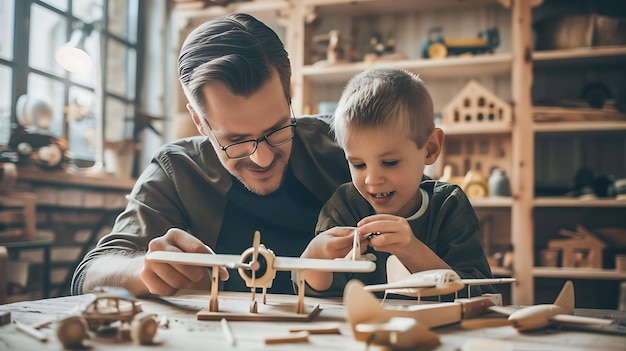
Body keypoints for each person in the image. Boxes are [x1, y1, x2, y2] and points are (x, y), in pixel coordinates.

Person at [71, 13, 351, 297]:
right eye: (236, 140)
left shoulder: (347, 143)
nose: (262, 158)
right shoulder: (177, 170)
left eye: (276, 130)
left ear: (289, 94)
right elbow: (90, 273)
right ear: (198, 120)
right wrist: (142, 269)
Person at [300, 67, 494, 298]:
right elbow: (313, 294)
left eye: (390, 162)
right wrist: (316, 257)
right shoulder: (344, 207)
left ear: (430, 149)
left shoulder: (448, 206)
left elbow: (478, 293)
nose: (372, 179)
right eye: (359, 165)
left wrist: (412, 251)